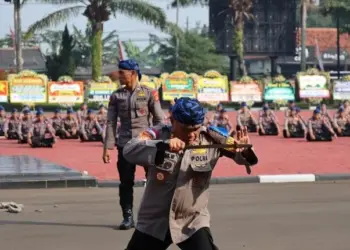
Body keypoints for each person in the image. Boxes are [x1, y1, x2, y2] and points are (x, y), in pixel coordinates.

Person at [121, 97, 258, 250]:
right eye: (187, 129)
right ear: (173, 121)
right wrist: (162, 145)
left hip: (192, 220)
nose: (193, 134)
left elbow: (242, 157)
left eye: (196, 129)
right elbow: (129, 150)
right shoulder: (158, 133)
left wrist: (244, 150)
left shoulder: (211, 137)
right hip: (155, 220)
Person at [102, 59, 164, 230]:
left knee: (154, 182)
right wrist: (107, 147)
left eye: (122, 72)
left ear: (133, 73)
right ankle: (127, 217)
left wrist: (152, 136)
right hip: (125, 145)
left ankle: (154, 217)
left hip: (146, 145)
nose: (119, 75)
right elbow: (110, 122)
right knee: (125, 182)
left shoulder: (149, 93)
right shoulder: (116, 96)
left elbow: (160, 120)